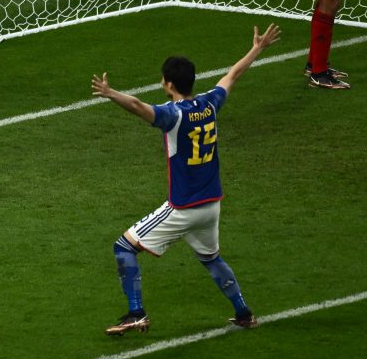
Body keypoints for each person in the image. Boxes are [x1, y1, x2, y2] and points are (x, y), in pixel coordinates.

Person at [91, 24, 281, 336]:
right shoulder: (209, 104)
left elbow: (139, 107)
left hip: (183, 207)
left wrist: (111, 94)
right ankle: (244, 313)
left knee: (123, 246)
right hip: (211, 205)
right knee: (211, 258)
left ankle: (136, 313)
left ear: (168, 83)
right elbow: (232, 75)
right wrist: (257, 48)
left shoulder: (173, 115)